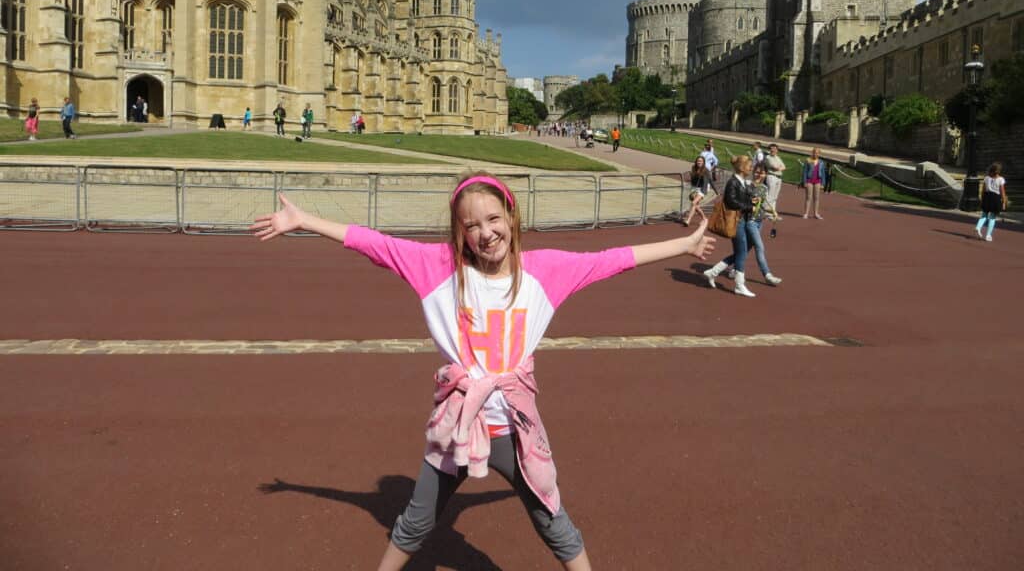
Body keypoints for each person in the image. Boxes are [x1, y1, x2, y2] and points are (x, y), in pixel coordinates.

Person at [251, 172, 715, 571]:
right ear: (459, 233)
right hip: (459, 426)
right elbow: (373, 242)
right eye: (470, 225)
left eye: (493, 219)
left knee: (552, 519)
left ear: (511, 218)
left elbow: (614, 259)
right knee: (416, 519)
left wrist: (685, 244)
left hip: (514, 429)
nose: (485, 233)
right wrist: (304, 220)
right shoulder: (437, 268)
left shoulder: (546, 271)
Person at [703, 154, 759, 297]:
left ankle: (713, 272)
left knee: (741, 252)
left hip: (742, 220)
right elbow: (731, 201)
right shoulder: (733, 182)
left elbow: (741, 199)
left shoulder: (741, 182)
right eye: (749, 166)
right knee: (741, 253)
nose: (751, 168)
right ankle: (739, 285)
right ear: (741, 167)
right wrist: (748, 206)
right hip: (736, 221)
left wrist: (752, 200)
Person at [728, 163, 782, 286]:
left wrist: (771, 212)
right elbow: (743, 202)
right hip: (750, 221)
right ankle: (767, 274)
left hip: (759, 222)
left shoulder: (764, 188)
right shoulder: (747, 185)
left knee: (744, 250)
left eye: (762, 173)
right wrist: (751, 202)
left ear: (765, 174)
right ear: (753, 172)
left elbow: (762, 206)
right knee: (759, 247)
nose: (759, 174)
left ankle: (734, 269)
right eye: (757, 172)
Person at [975, 162, 1008, 242]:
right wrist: (1004, 202)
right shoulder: (1001, 179)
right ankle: (988, 235)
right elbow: (1002, 192)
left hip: (987, 196)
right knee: (992, 217)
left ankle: (978, 227)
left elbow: (983, 190)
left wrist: (982, 199)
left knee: (984, 214)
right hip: (995, 198)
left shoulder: (986, 178)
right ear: (999, 171)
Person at [683, 155, 712, 227]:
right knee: (696, 206)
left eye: (701, 161)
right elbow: (693, 179)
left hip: (703, 188)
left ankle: (688, 220)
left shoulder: (706, 171)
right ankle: (704, 218)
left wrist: (716, 191)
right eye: (698, 161)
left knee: (693, 203)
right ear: (696, 162)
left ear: (703, 162)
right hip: (695, 188)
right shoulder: (693, 168)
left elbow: (710, 181)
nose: (699, 162)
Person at [800, 147, 828, 219]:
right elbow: (805, 172)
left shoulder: (821, 162)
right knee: (808, 197)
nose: (816, 154)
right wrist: (804, 181)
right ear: (812, 153)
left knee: (816, 198)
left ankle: (816, 213)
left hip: (818, 181)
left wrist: (823, 183)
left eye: (817, 153)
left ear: (819, 154)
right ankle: (806, 213)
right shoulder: (808, 160)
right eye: (815, 152)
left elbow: (823, 174)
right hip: (809, 181)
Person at [764, 143, 786, 217]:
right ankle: (766, 212)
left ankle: (772, 212)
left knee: (775, 196)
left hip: (779, 178)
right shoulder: (768, 157)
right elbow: (774, 167)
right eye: (771, 149)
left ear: (777, 150)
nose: (773, 150)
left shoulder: (778, 158)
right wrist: (779, 167)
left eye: (775, 149)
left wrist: (779, 167)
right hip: (772, 176)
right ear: (769, 150)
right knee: (770, 195)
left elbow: (784, 167)